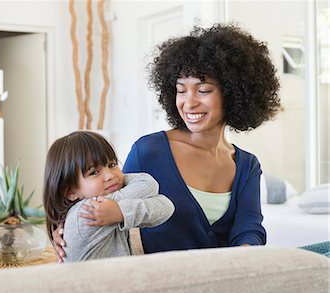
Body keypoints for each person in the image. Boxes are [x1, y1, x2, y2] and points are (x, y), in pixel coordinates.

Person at [52, 23, 281, 260]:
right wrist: (66, 229)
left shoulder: (247, 165)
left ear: (234, 94)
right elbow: (107, 200)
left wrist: (241, 262)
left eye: (203, 90)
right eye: (181, 90)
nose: (189, 103)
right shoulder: (150, 151)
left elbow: (249, 229)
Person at [43, 130, 174, 262]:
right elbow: (147, 184)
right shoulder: (86, 213)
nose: (110, 175)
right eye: (94, 172)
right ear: (70, 192)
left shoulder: (109, 208)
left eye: (112, 165)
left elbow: (167, 207)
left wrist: (121, 212)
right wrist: (120, 211)